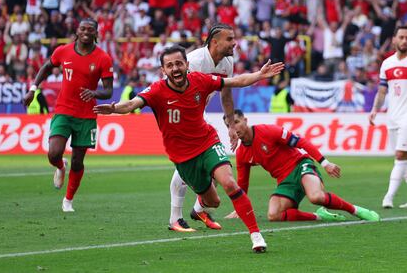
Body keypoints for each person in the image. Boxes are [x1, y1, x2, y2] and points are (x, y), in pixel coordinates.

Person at [94, 45, 285, 253]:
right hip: (183, 157)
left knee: (230, 183)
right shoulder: (157, 90)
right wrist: (114, 109)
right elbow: (132, 104)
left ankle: (256, 236)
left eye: (178, 63)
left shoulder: (200, 80)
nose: (175, 68)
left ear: (187, 65)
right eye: (170, 65)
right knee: (214, 201)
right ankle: (198, 210)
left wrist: (259, 75)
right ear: (163, 71)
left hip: (207, 142)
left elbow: (234, 81)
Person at [224, 109, 380, 222]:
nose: (234, 128)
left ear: (245, 120)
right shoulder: (241, 154)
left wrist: (325, 163)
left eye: (236, 122)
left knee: (316, 197)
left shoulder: (269, 131)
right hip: (285, 181)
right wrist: (239, 208)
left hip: (301, 166)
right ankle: (320, 216)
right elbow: (243, 184)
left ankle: (356, 210)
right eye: (229, 126)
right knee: (273, 215)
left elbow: (301, 141)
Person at [23, 18, 113, 212]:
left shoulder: (103, 58)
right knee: (53, 153)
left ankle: (68, 200)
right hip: (63, 110)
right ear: (77, 31)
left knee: (78, 161)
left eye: (91, 29)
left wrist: (95, 93)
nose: (87, 32)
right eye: (83, 28)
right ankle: (60, 166)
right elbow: (47, 66)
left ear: (96, 33)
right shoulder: (63, 51)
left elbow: (108, 91)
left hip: (87, 115)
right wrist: (32, 89)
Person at [168, 23, 238, 233]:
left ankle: (196, 210)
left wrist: (232, 126)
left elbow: (226, 94)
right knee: (189, 164)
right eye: (230, 39)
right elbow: (175, 90)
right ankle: (177, 218)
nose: (234, 43)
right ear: (214, 42)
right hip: (179, 115)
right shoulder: (196, 61)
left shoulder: (228, 62)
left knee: (210, 165)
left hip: (198, 115)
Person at [369, 26, 407, 209]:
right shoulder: (387, 64)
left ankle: (388, 197)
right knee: (402, 159)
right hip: (392, 116)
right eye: (401, 37)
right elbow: (382, 90)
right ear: (394, 40)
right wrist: (375, 109)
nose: (404, 41)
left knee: (400, 156)